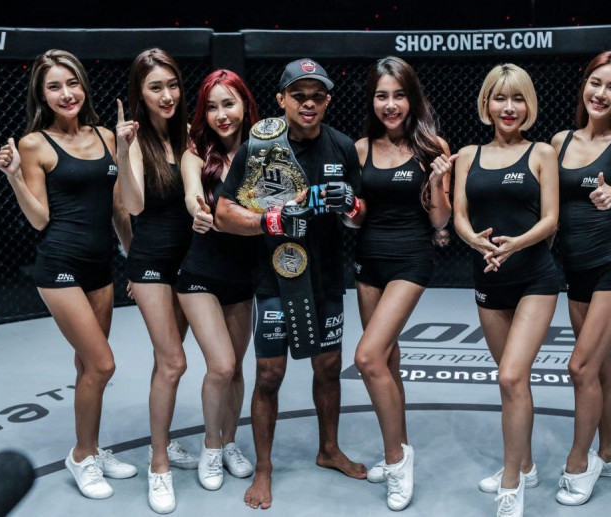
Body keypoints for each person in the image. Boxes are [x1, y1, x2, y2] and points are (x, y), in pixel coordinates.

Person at [215, 58, 367, 510]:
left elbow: (360, 216)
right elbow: (223, 212)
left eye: (317, 96)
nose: (308, 103)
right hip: (274, 277)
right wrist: (267, 221)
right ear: (281, 99)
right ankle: (264, 468)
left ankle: (329, 449)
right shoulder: (259, 148)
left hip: (326, 276)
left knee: (329, 366)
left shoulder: (342, 146)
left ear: (328, 101)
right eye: (298, 95)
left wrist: (351, 207)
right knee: (269, 373)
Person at [0, 49, 136, 500]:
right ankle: (81, 455)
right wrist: (15, 176)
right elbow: (39, 219)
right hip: (59, 267)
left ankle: (92, 447)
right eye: (54, 86)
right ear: (42, 95)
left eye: (71, 83)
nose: (66, 93)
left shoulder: (106, 136)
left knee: (86, 366)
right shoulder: (34, 144)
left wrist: (133, 260)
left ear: (83, 86)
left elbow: (118, 207)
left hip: (100, 267)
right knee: (103, 364)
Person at [454, 64, 560, 517]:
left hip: (536, 278)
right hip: (487, 279)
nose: (509, 107)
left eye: (517, 98)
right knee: (512, 383)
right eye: (500, 98)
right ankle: (527, 464)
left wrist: (516, 244)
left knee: (512, 376)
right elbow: (459, 215)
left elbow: (551, 218)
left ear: (528, 104)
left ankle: (511, 483)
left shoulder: (542, 153)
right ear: (487, 104)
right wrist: (474, 240)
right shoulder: (466, 155)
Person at [353, 56, 453, 511]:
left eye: (398, 95)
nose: (390, 105)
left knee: (367, 357)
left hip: (411, 260)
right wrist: (348, 212)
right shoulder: (360, 149)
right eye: (382, 96)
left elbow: (440, 221)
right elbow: (358, 217)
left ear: (411, 98)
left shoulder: (432, 146)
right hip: (368, 261)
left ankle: (397, 460)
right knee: (388, 363)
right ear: (372, 100)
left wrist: (439, 183)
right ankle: (399, 447)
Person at [551, 49, 611, 506]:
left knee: (581, 367)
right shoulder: (560, 142)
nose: (601, 94)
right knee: (601, 367)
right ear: (584, 84)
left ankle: (579, 461)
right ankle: (609, 454)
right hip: (576, 270)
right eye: (596, 83)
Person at [114, 48, 197, 513]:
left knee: (165, 362)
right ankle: (159, 464)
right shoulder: (133, 139)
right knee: (174, 362)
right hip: (151, 265)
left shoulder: (187, 136)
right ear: (139, 94)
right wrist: (122, 150)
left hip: (189, 263)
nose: (167, 95)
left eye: (172, 85)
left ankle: (159, 441)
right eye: (155, 87)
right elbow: (133, 205)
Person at [176, 70, 260, 495]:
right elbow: (192, 192)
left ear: (245, 105)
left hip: (243, 277)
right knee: (221, 365)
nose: (221, 115)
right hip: (199, 275)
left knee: (237, 369)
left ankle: (230, 442)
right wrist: (198, 210)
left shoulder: (263, 153)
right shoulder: (195, 153)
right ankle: (210, 446)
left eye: (228, 104)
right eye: (211, 107)